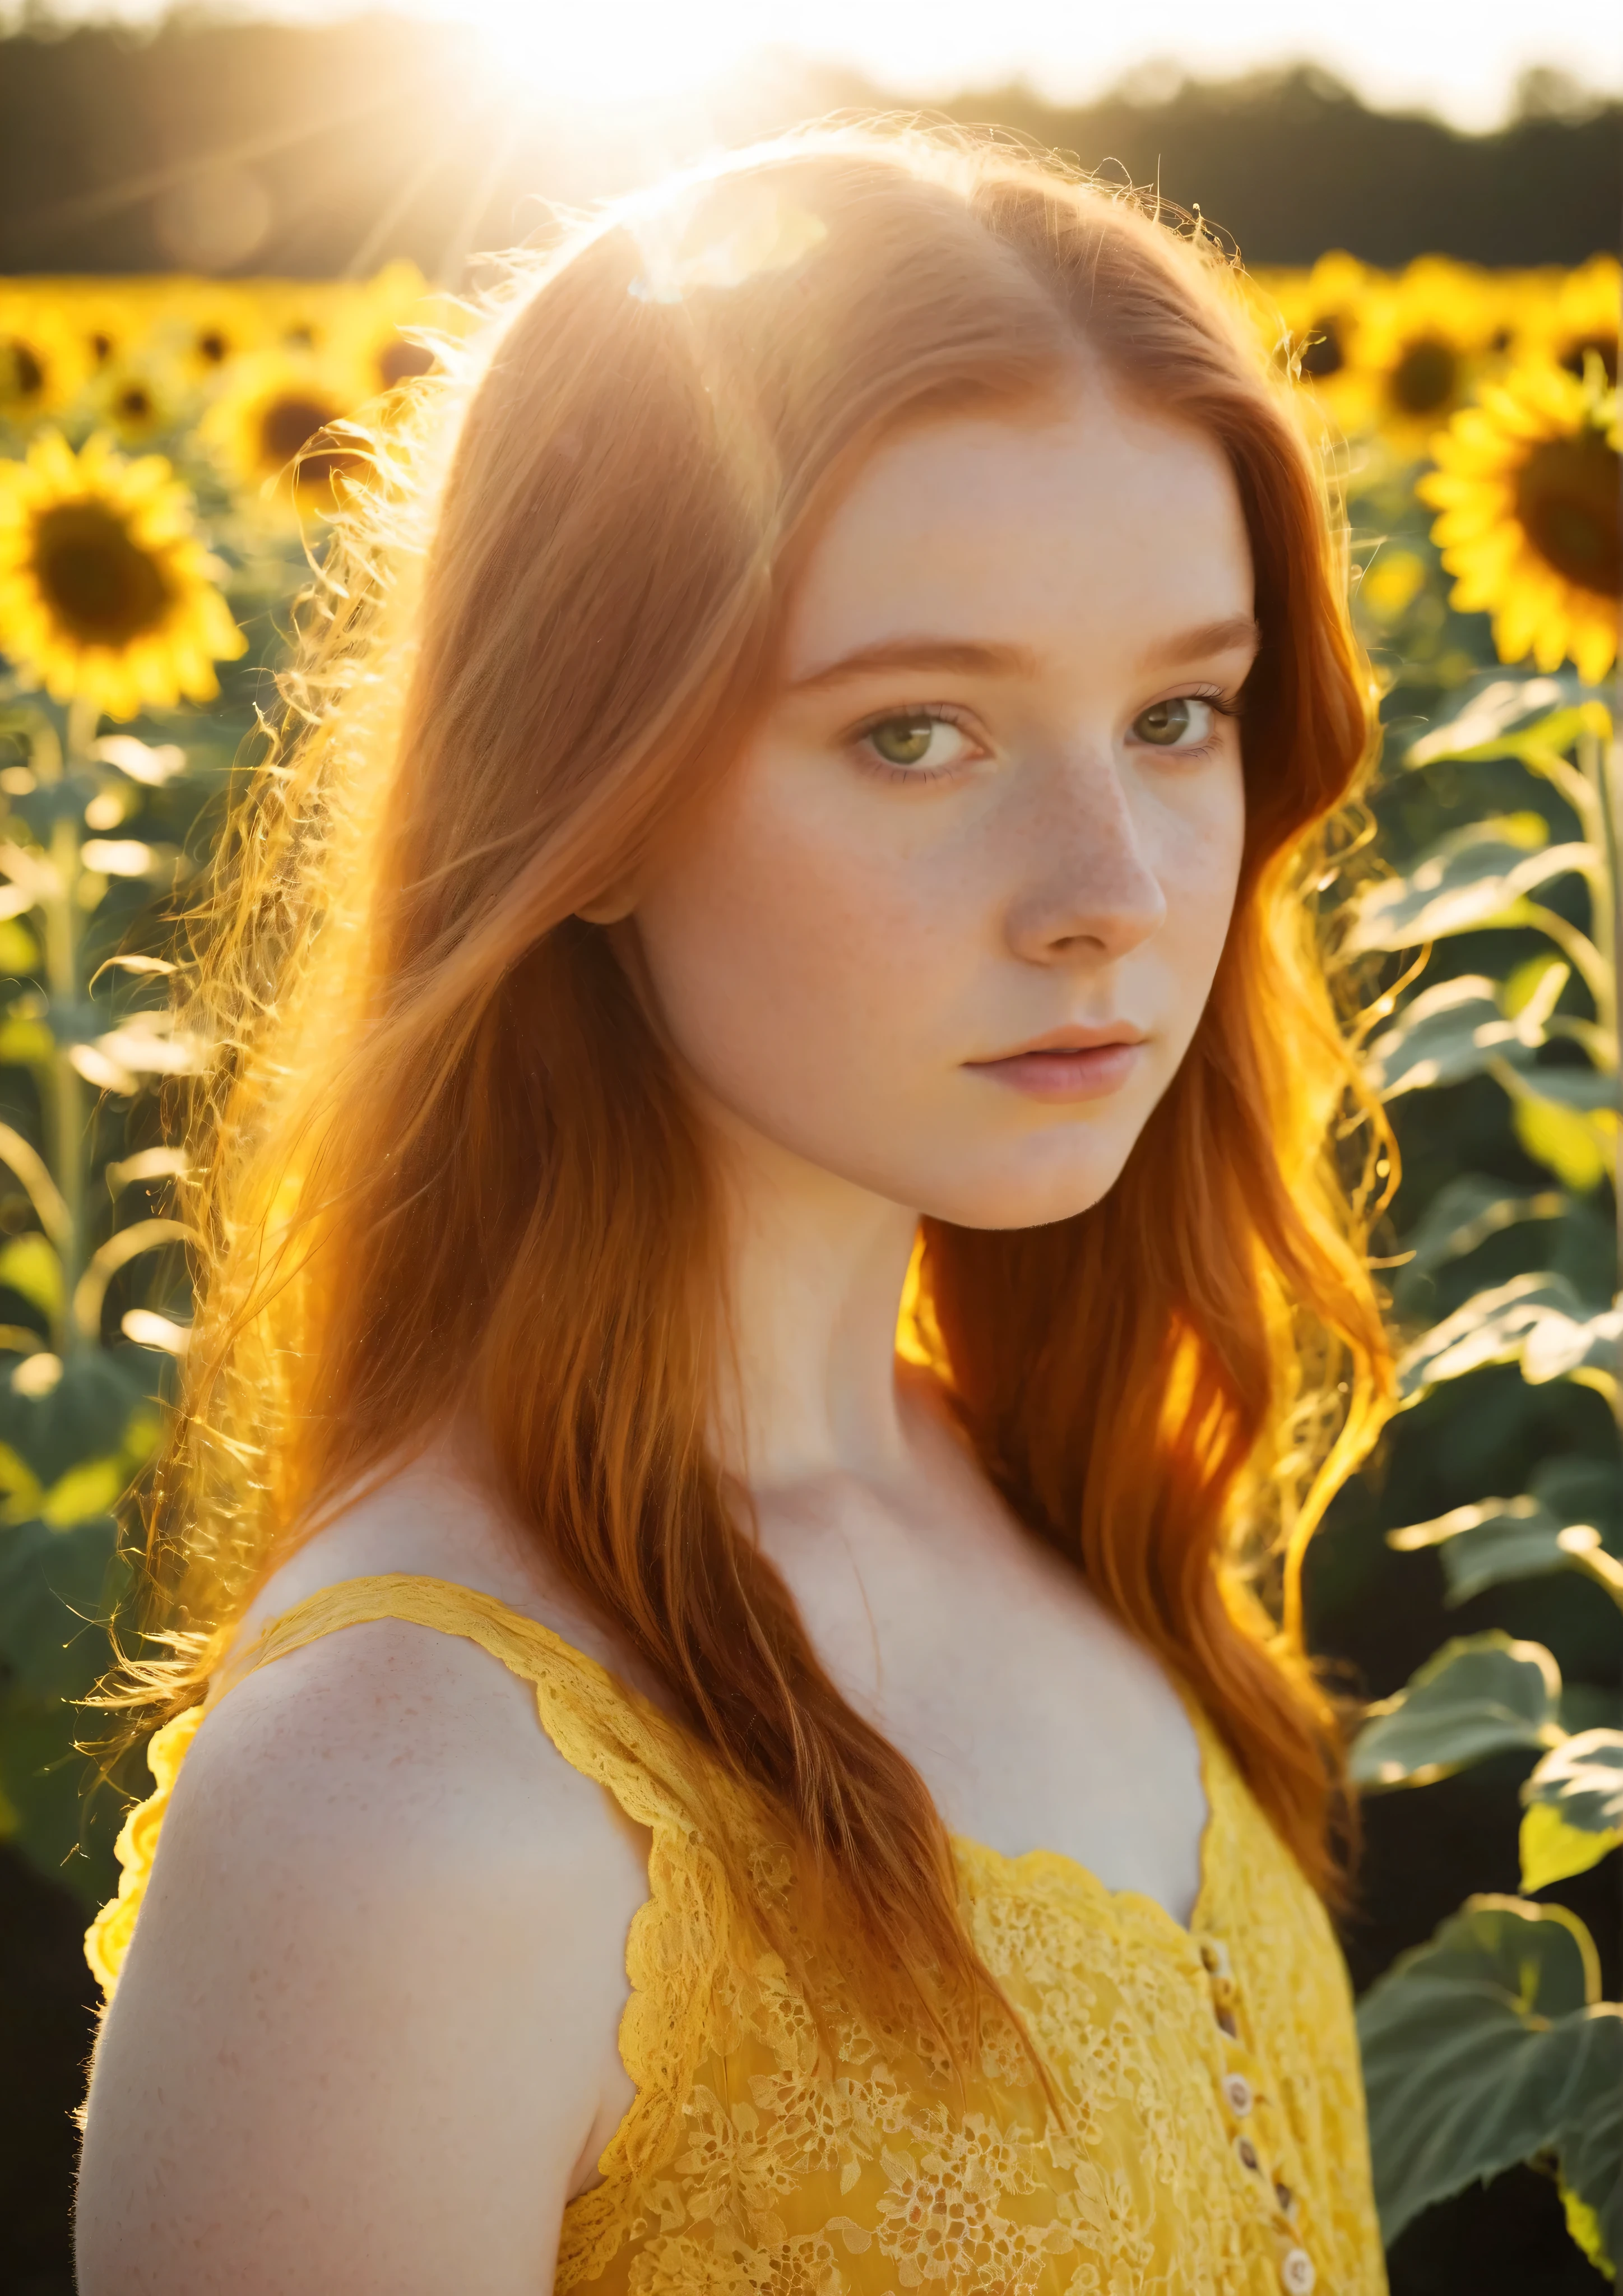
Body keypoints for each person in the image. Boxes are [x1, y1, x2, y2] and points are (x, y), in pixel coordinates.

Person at [74, 125, 1395, 2296]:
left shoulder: (1062, 1494)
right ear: (579, 795)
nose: (1114, 892)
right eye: (915, 735)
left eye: (1179, 713)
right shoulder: (405, 1806)